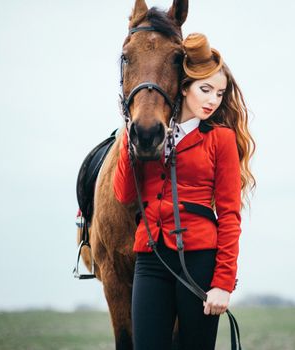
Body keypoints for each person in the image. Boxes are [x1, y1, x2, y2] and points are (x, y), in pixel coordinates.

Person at [113, 33, 255, 349]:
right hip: (150, 257)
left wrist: (222, 284)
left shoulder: (221, 139)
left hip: (200, 259)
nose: (212, 100)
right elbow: (124, 193)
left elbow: (230, 215)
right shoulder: (149, 133)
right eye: (206, 90)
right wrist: (129, 132)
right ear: (184, 85)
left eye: (219, 93)